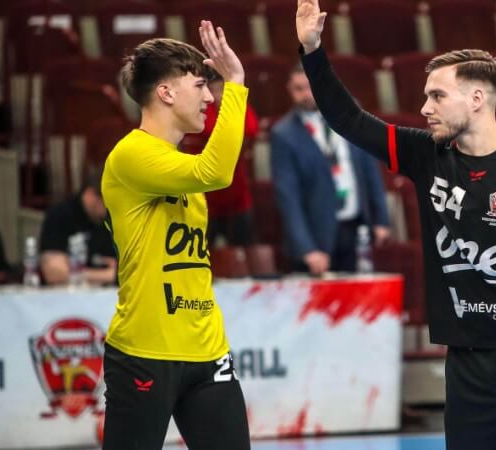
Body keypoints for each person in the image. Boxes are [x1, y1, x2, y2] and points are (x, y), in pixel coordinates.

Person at [296, 1, 496, 449]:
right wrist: (312, 50)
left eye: (437, 96)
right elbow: (349, 120)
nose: (424, 107)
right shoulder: (426, 155)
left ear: (476, 99)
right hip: (471, 370)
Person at [100, 21, 250, 450]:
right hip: (146, 351)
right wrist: (235, 84)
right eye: (200, 85)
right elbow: (216, 171)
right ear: (165, 92)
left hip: (207, 349)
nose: (209, 97)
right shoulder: (131, 155)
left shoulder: (180, 164)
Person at [270, 64, 390, 275]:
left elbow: (369, 168)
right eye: (299, 89)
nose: (307, 95)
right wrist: (307, 249)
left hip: (354, 228)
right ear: (289, 90)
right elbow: (288, 197)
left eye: (310, 87)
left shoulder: (349, 113)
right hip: (316, 235)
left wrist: (381, 218)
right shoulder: (283, 134)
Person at [182, 75, 259, 247]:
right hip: (207, 195)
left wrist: (231, 107)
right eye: (214, 90)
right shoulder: (201, 109)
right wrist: (230, 123)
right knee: (204, 247)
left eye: (222, 89)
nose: (219, 95)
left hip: (237, 191)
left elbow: (252, 128)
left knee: (243, 244)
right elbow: (204, 129)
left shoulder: (237, 107)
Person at [38, 171, 116, 286]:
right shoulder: (60, 215)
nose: (110, 209)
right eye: (108, 202)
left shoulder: (112, 220)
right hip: (68, 293)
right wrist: (110, 275)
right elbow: (54, 273)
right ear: (90, 195)